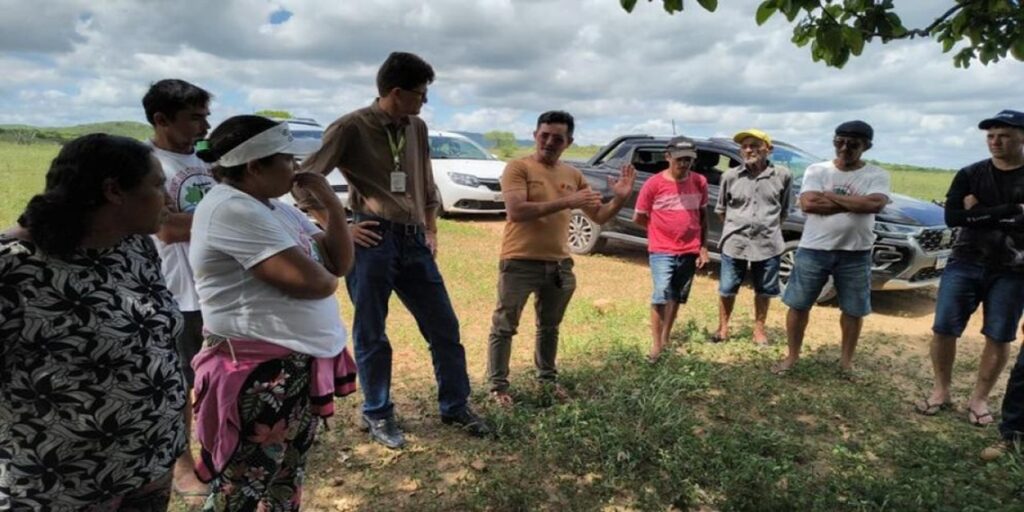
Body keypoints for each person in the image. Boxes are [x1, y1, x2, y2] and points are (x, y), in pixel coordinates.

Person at [301, 51, 489, 449]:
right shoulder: (351, 127)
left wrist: (430, 227)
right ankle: (377, 413)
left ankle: (456, 406)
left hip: (414, 239)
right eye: (420, 93)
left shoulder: (416, 127)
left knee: (444, 328)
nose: (425, 100)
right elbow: (304, 181)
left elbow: (425, 181)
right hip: (373, 240)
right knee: (372, 332)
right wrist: (341, 228)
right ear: (396, 92)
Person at [0, 134, 186, 509]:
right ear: (113, 191)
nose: (168, 199)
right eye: (157, 185)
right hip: (61, 489)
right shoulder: (14, 267)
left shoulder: (134, 246)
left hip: (148, 467)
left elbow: (159, 346)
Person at [188, 115, 357, 509]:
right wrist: (323, 268)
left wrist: (331, 203)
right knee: (243, 487)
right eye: (287, 160)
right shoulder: (231, 209)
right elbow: (320, 283)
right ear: (254, 166)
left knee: (284, 478)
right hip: (259, 376)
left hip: (292, 368)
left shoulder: (275, 208)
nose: (295, 168)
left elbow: (339, 263)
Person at [487, 110, 636, 405]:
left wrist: (620, 198)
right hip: (520, 260)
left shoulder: (573, 175)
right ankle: (498, 387)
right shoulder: (518, 167)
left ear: (568, 142)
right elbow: (517, 211)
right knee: (505, 326)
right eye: (544, 135)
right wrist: (568, 201)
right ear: (535, 135)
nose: (549, 142)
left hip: (558, 265)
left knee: (549, 327)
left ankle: (547, 380)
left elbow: (599, 215)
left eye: (557, 138)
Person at [917, 109, 1024, 426]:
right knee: (943, 329)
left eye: (1004, 136)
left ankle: (979, 399)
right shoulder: (970, 173)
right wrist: (1011, 210)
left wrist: (978, 211)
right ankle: (941, 391)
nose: (995, 142)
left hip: (1014, 269)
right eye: (990, 136)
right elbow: (953, 218)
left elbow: (969, 217)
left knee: (999, 335)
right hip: (965, 261)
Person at [141, 77, 215, 500]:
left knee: (214, 376)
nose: (204, 126)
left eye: (206, 116)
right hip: (175, 291)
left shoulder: (207, 161)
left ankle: (214, 451)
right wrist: (231, 218)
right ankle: (182, 467)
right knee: (177, 384)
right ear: (161, 119)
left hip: (216, 289)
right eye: (195, 118)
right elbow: (167, 229)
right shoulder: (145, 164)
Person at [775, 121, 890, 376]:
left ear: (867, 146)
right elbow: (809, 204)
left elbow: (874, 205)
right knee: (798, 304)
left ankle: (846, 363)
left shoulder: (877, 175)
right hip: (814, 249)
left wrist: (830, 196)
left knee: (853, 310)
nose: (844, 148)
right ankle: (792, 357)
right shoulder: (817, 170)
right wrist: (857, 203)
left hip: (856, 253)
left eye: (853, 144)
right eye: (839, 142)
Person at [633, 136, 709, 362]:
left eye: (688, 160)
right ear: (667, 157)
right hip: (662, 250)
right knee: (660, 294)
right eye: (679, 159)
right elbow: (639, 217)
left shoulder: (699, 182)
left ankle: (666, 337)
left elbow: (702, 217)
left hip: (689, 250)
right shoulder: (654, 184)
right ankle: (656, 345)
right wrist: (659, 231)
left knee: (676, 294)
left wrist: (703, 247)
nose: (683, 164)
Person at [713, 129, 792, 345]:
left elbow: (784, 210)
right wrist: (736, 227)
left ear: (768, 149)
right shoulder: (730, 176)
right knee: (727, 288)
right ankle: (723, 328)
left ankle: (759, 331)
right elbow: (721, 210)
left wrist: (766, 228)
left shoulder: (782, 175)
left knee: (764, 290)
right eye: (745, 146)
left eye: (755, 146)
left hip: (768, 244)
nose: (749, 150)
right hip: (735, 243)